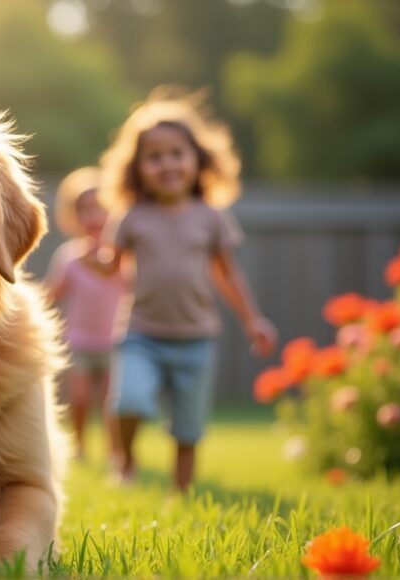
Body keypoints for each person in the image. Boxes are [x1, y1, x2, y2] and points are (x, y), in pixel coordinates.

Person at [93, 89, 277, 492]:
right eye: (154, 157)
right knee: (128, 402)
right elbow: (113, 265)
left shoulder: (211, 218)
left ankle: (181, 492)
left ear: (199, 161)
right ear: (137, 169)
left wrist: (252, 319)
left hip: (196, 339)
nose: (167, 164)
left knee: (188, 428)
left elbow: (228, 275)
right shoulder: (132, 218)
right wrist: (102, 261)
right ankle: (125, 460)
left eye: (177, 153)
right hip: (141, 333)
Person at [44, 167, 124, 463]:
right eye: (85, 209)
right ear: (73, 216)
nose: (93, 217)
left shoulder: (120, 256)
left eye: (100, 208)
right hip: (78, 340)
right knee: (78, 399)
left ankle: (116, 451)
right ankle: (80, 445)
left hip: (114, 340)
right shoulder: (69, 256)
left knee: (112, 402)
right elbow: (53, 294)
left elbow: (132, 288)